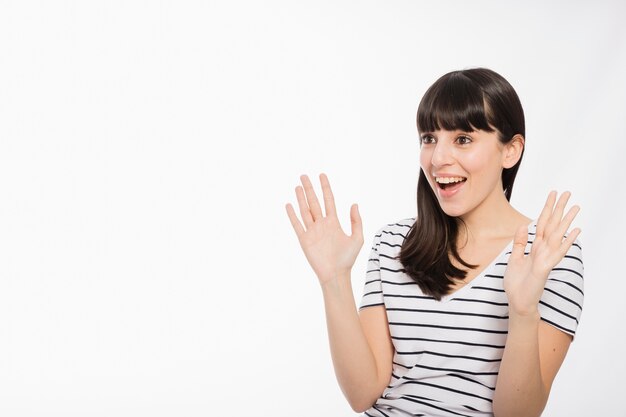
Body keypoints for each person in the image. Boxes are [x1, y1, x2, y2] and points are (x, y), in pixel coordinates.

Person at [285, 68, 583, 417]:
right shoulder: (393, 244)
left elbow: (516, 414)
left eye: (463, 139)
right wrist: (334, 279)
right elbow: (362, 394)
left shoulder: (549, 254)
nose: (438, 158)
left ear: (511, 151)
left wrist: (522, 311)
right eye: (429, 138)